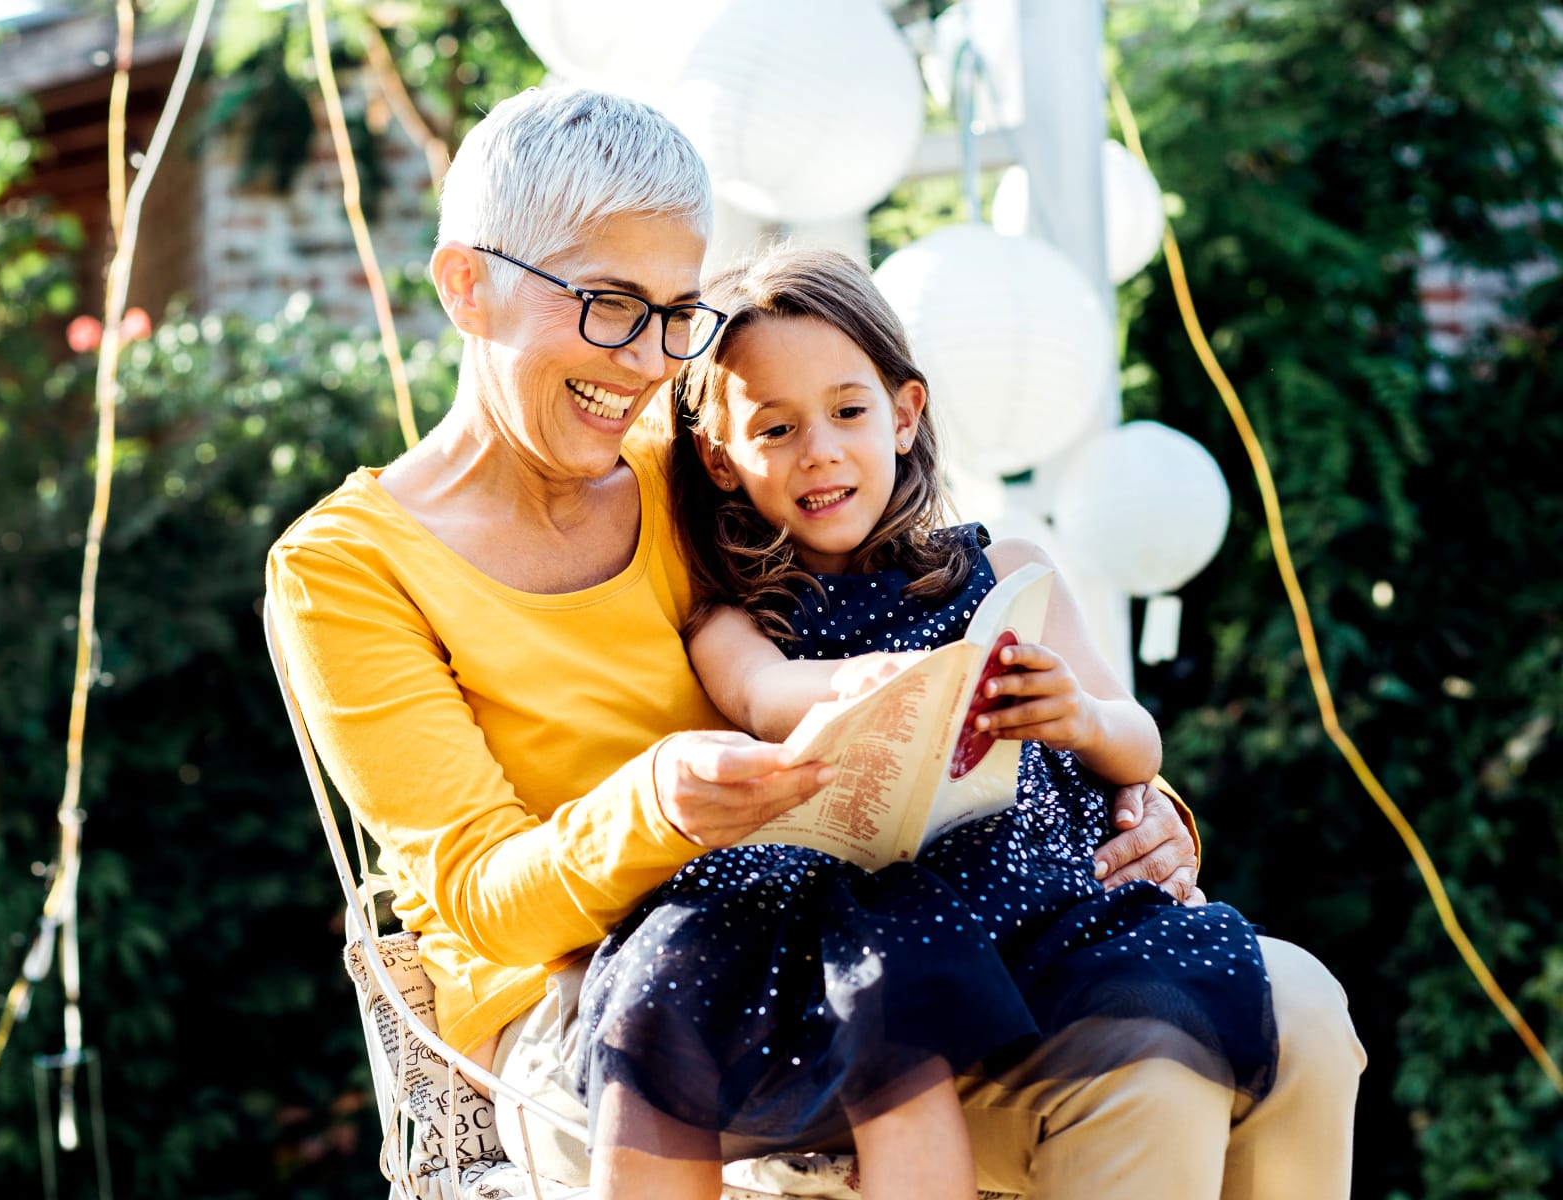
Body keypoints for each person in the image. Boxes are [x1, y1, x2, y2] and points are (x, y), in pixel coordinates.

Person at [264, 85, 1363, 1200]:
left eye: (673, 311)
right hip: (608, 1018)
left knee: (1299, 1008)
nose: (645, 361)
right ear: (466, 285)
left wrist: (1140, 805)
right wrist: (654, 810)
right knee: (1151, 1072)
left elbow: (920, 600)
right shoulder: (348, 567)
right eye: (606, 304)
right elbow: (481, 900)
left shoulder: (696, 463)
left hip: (878, 926)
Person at [566, 244, 1281, 1200]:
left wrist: (1075, 720)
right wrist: (873, 683)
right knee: (750, 977)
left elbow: (1139, 742)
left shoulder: (1004, 569)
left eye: (849, 412)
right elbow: (764, 696)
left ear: (904, 415)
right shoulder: (736, 618)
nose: (820, 449)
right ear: (720, 460)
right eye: (775, 428)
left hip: (1014, 890)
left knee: (1197, 1007)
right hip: (845, 903)